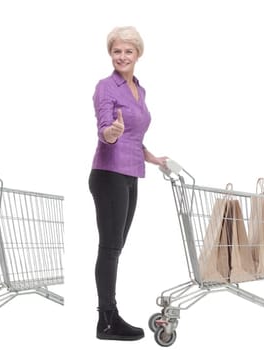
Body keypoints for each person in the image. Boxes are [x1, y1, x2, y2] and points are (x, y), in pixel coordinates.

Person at [89, 25, 168, 341]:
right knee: (109, 248)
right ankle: (107, 320)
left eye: (128, 51)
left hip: (131, 174)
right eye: (116, 51)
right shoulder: (106, 87)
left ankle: (109, 316)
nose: (121, 56)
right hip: (108, 175)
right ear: (111, 54)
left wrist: (151, 157)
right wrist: (110, 133)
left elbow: (134, 134)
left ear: (138, 54)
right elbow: (106, 127)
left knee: (116, 248)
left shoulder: (139, 88)